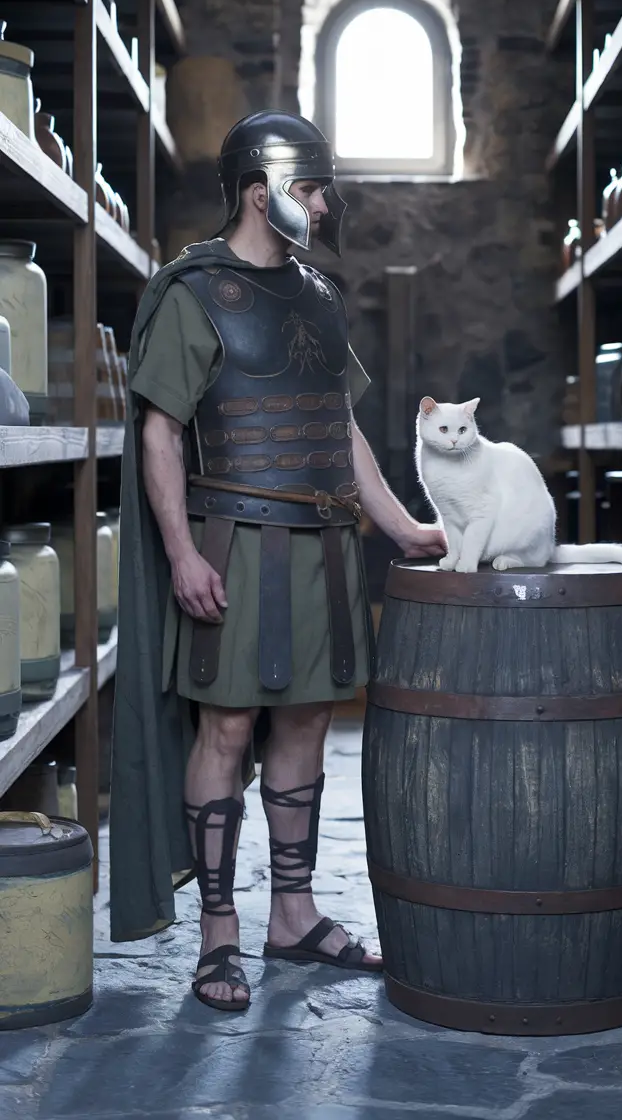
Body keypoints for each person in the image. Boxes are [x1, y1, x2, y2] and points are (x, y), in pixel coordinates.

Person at [109, 111, 446, 1011]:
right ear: (261, 191)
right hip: (232, 546)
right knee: (224, 730)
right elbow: (159, 434)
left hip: (324, 549)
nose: (324, 205)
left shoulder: (319, 297)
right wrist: (181, 551)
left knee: (305, 723)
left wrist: (405, 527)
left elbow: (341, 431)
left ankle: (291, 915)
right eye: (310, 189)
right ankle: (219, 933)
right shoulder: (191, 292)